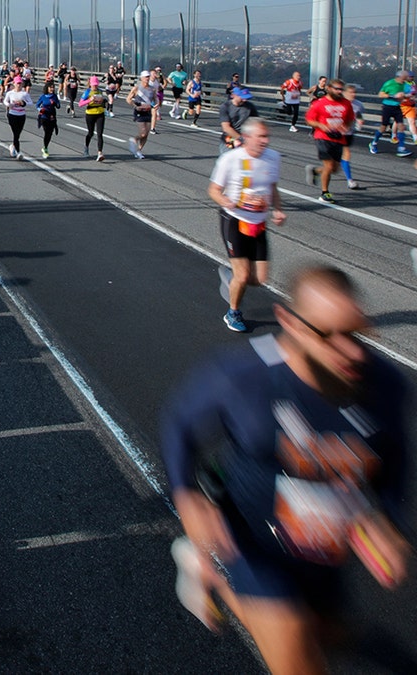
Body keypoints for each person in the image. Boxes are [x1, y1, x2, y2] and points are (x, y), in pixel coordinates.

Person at [162, 264, 410, 674]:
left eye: (355, 333)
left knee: (330, 633)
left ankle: (212, 576)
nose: (350, 352)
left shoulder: (384, 387)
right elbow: (179, 425)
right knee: (296, 650)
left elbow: (393, 459)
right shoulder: (243, 379)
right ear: (290, 325)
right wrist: (187, 498)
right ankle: (225, 574)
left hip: (323, 545)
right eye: (327, 335)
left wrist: (390, 522)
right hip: (250, 537)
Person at [207, 119, 285, 333]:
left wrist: (277, 209)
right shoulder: (230, 159)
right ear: (247, 137)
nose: (265, 141)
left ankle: (232, 278)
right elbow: (213, 190)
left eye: (267, 137)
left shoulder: (273, 158)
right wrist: (226, 201)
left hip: (258, 223)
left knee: (259, 279)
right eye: (261, 137)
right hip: (233, 219)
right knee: (242, 276)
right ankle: (233, 313)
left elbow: (273, 187)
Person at [305, 78, 354, 204]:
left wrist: (346, 126)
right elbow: (309, 120)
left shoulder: (346, 104)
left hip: (338, 138)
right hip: (322, 137)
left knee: (334, 169)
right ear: (329, 89)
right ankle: (324, 192)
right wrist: (321, 126)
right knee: (328, 165)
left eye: (341, 89)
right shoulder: (320, 103)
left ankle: (316, 170)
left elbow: (350, 119)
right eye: (336, 89)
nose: (339, 91)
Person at [372, 70, 413, 158]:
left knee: (401, 126)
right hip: (387, 106)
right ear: (399, 77)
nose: (405, 79)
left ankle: (401, 148)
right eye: (404, 77)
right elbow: (381, 94)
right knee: (383, 127)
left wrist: (406, 96)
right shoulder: (389, 83)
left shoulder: (405, 85)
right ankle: (374, 143)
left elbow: (409, 93)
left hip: (397, 107)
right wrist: (393, 96)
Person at [126, 71, 157, 159]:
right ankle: (134, 139)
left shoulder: (152, 89)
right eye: (146, 77)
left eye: (148, 77)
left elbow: (155, 98)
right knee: (143, 133)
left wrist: (157, 104)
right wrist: (135, 106)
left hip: (147, 111)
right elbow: (128, 99)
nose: (147, 78)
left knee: (146, 134)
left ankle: (139, 151)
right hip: (139, 112)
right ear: (142, 78)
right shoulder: (137, 88)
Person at [219, 87, 260, 151]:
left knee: (245, 160)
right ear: (234, 95)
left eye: (246, 98)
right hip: (230, 139)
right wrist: (241, 139)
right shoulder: (225, 107)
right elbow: (226, 127)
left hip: (245, 138)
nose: (244, 100)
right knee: (230, 159)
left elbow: (256, 123)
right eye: (242, 98)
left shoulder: (250, 107)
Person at [3, 78, 33, 160]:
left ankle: (12, 146)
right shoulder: (10, 93)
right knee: (15, 133)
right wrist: (9, 105)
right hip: (12, 114)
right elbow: (5, 101)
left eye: (20, 83)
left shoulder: (24, 94)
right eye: (17, 83)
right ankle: (18, 152)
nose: (19, 85)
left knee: (18, 133)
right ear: (14, 84)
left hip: (22, 115)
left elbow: (31, 103)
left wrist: (23, 103)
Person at [80, 77, 107, 162]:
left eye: (96, 85)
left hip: (100, 114)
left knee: (100, 134)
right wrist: (89, 100)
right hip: (90, 114)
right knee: (90, 133)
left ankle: (100, 153)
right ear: (91, 84)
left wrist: (104, 101)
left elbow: (103, 101)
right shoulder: (87, 92)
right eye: (94, 85)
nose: (95, 86)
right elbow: (80, 104)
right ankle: (86, 148)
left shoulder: (100, 91)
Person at [36, 84, 60, 159]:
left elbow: (58, 106)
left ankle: (45, 147)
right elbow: (37, 105)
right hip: (44, 116)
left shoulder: (54, 96)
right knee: (46, 132)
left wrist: (55, 103)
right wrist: (40, 110)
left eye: (53, 87)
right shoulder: (43, 96)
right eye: (50, 87)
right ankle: (45, 149)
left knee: (50, 133)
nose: (52, 89)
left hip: (52, 116)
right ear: (47, 88)